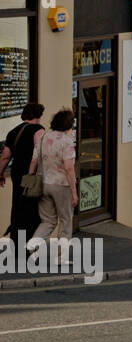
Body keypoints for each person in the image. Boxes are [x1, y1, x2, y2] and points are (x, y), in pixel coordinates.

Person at [27, 108, 77, 265]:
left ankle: (33, 244)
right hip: (62, 185)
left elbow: (34, 161)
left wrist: (30, 179)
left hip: (44, 184)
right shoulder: (66, 142)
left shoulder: (43, 137)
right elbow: (69, 169)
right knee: (66, 220)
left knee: (48, 221)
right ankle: (61, 257)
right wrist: (74, 192)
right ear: (69, 125)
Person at [0, 103, 45, 244]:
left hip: (17, 173)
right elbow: (39, 153)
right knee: (32, 209)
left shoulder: (13, 132)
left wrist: (0, 173)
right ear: (38, 115)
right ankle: (30, 242)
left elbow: (5, 157)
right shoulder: (38, 130)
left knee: (18, 206)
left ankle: (16, 240)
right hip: (32, 176)